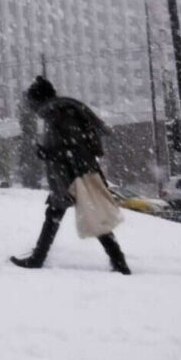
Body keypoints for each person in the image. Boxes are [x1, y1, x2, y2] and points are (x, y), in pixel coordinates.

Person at [10, 76, 131, 275]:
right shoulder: (58, 111)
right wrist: (51, 153)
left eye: (31, 102)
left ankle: (118, 262)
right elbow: (69, 145)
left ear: (39, 99)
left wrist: (49, 153)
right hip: (69, 175)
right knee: (59, 214)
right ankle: (118, 262)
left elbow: (75, 147)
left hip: (74, 176)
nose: (31, 107)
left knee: (84, 215)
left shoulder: (59, 113)